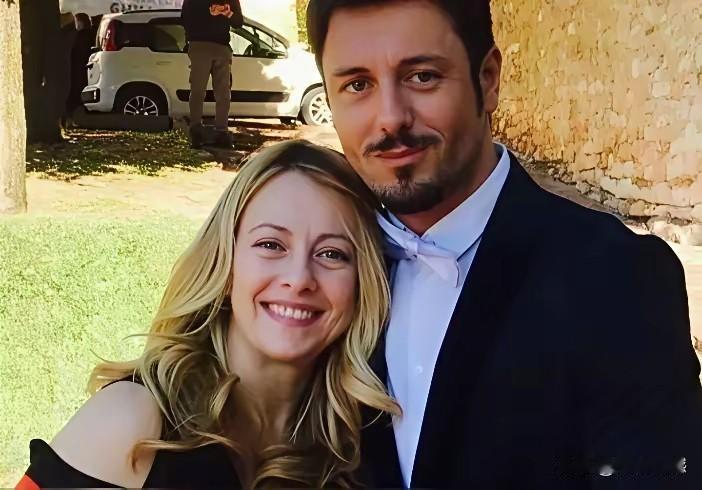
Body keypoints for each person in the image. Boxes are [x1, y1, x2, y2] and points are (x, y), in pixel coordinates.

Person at [306, 0, 702, 488]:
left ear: (488, 79)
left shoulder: (618, 279)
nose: (390, 118)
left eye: (422, 77)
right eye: (357, 85)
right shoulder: (317, 274)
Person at [16, 140, 399, 489]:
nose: (299, 279)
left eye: (332, 254)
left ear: (362, 283)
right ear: (225, 265)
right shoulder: (134, 424)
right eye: (271, 245)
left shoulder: (359, 451)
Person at [181, 0, 243, 148]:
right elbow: (185, 18)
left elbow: (239, 22)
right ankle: (196, 129)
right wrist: (207, 14)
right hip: (200, 45)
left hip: (221, 46)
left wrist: (227, 13)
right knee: (198, 89)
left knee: (223, 92)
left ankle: (221, 131)